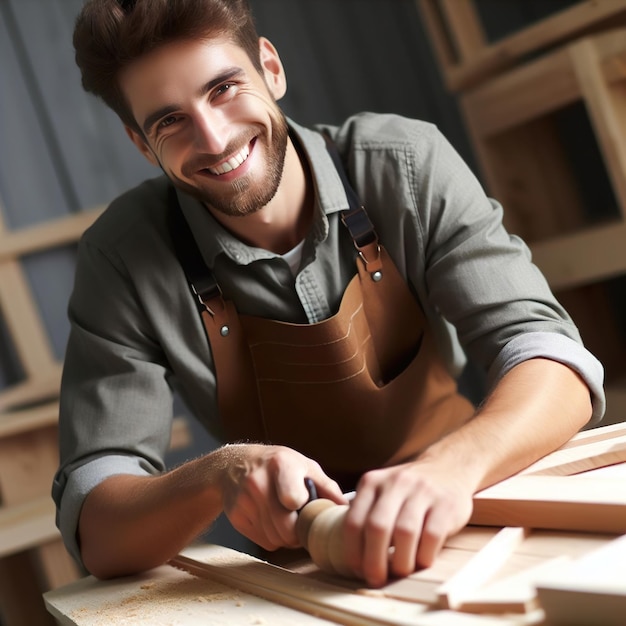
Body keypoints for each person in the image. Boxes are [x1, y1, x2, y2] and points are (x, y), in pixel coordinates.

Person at [53, 0, 604, 589]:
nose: (213, 140)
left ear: (270, 68)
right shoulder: (121, 258)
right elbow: (96, 525)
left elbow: (552, 359)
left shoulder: (405, 165)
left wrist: (447, 469)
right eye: (170, 122)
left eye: (223, 89)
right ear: (141, 143)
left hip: (470, 501)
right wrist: (220, 474)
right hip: (297, 571)